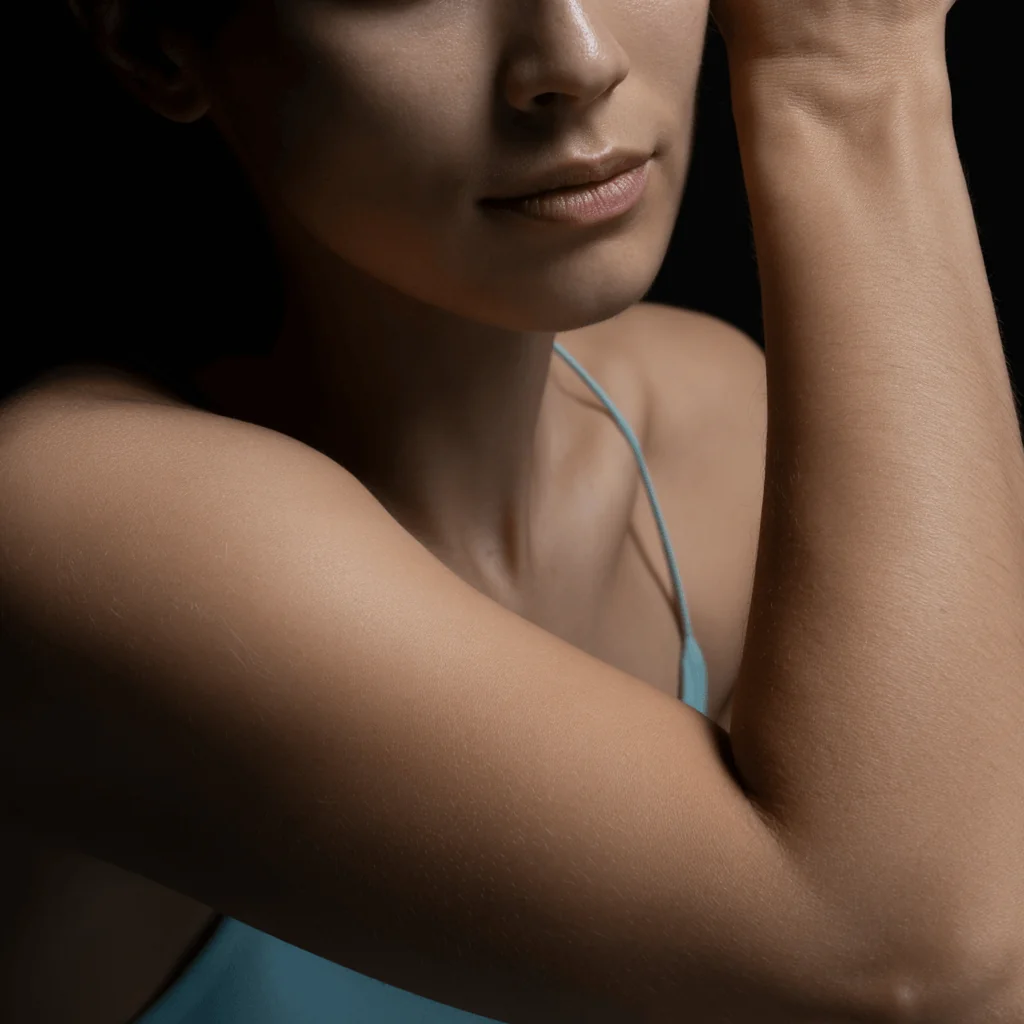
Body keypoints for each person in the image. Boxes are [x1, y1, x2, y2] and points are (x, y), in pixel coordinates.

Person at [2, 0, 1022, 1022]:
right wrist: (847, 77)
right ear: (153, 43)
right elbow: (906, 962)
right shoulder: (71, 523)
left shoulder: (715, 426)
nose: (573, 60)